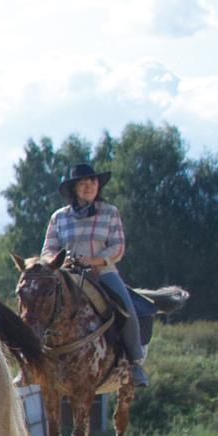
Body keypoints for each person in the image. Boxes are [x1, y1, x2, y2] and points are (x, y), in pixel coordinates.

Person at [41, 163, 147, 386]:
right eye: (83, 183)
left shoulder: (110, 212)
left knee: (126, 308)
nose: (89, 186)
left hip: (102, 271)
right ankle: (31, 362)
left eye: (93, 182)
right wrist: (60, 261)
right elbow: (48, 250)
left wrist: (94, 259)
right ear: (74, 189)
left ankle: (135, 362)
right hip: (67, 274)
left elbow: (118, 246)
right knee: (37, 304)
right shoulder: (59, 217)